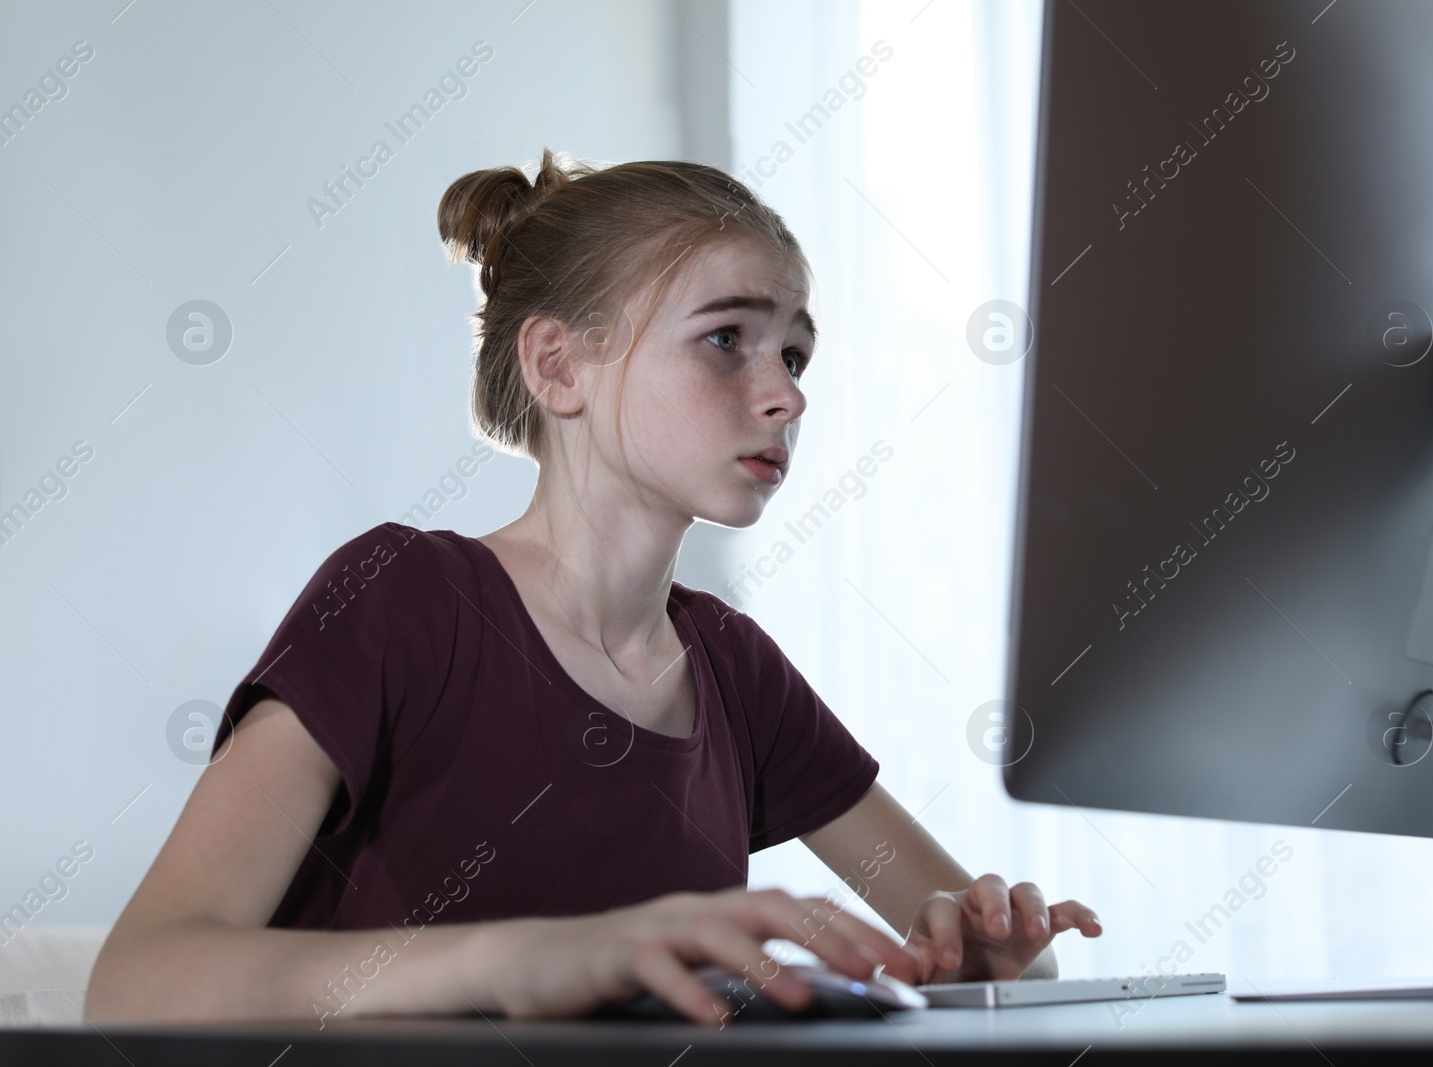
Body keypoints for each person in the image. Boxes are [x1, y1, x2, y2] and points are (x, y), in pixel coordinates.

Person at [85, 149, 1101, 1028]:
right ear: (558, 364)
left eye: (795, 351)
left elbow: (1003, 952)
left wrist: (985, 962)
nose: (787, 390)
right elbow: (136, 979)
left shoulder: (735, 672)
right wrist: (533, 960)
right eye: (725, 339)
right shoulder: (402, 599)